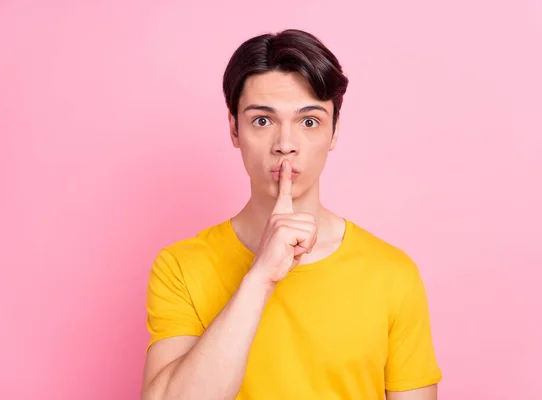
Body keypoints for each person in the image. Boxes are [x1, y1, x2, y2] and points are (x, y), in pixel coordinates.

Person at [141, 29, 442, 400]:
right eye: (262, 121)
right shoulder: (180, 266)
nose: (285, 145)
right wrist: (261, 276)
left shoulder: (393, 274)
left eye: (309, 121)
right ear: (234, 128)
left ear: (334, 133)